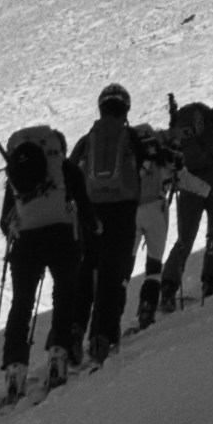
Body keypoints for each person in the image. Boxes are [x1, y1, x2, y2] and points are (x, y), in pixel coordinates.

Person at [0, 118, 89, 398]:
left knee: (21, 304)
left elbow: (4, 222)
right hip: (62, 236)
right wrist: (91, 226)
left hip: (25, 243)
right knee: (64, 294)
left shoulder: (17, 174)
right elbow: (83, 201)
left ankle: (15, 369)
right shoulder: (65, 169)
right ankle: (58, 357)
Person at [70, 83, 152, 363]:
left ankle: (74, 328)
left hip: (90, 211)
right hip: (122, 211)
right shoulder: (129, 136)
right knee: (111, 273)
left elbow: (71, 171)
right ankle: (100, 336)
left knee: (87, 267)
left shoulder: (87, 139)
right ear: (125, 109)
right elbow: (147, 166)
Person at [149, 91, 213, 309]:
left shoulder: (183, 129)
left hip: (188, 187)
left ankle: (168, 286)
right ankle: (211, 279)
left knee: (185, 239)